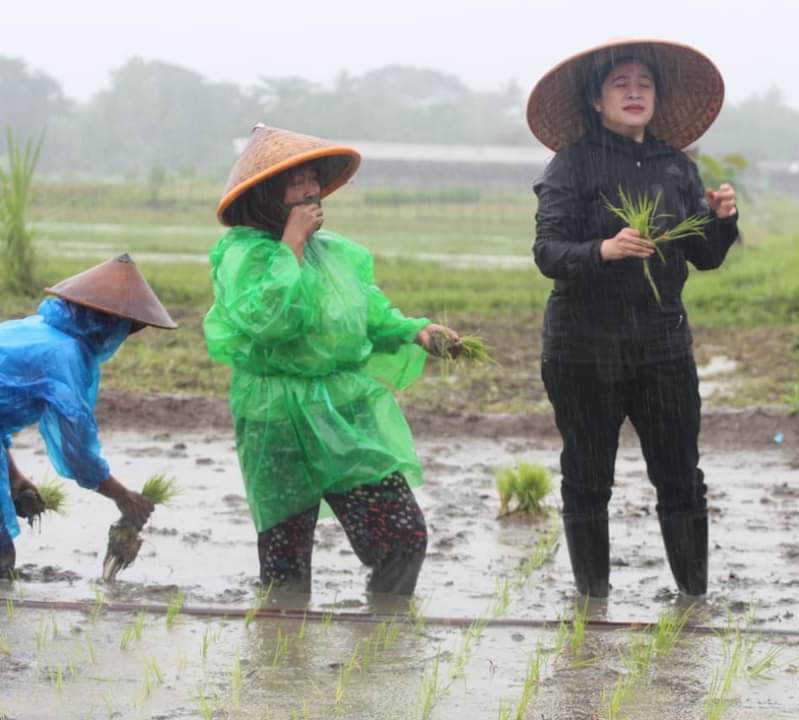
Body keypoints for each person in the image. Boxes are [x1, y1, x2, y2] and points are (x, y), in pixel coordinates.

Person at [204, 124, 459, 598]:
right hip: (275, 417)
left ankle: (382, 639)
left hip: (343, 408)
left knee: (403, 537)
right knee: (286, 557)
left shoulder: (335, 253)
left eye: (312, 179)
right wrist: (291, 247)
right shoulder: (245, 257)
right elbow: (272, 321)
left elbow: (365, 312)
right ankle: (282, 656)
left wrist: (415, 330)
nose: (308, 191)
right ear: (264, 193)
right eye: (294, 181)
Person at [527, 40, 740, 598]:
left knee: (680, 479)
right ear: (597, 100)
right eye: (620, 83)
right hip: (583, 349)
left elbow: (706, 255)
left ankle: (694, 597)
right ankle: (592, 600)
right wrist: (604, 249)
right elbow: (548, 252)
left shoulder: (677, 166)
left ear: (657, 96)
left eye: (643, 82)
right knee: (588, 480)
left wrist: (721, 219)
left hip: (662, 345)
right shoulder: (571, 164)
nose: (634, 91)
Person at [0, 254, 176, 577]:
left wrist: (14, 478)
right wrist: (124, 497)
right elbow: (77, 449)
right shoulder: (64, 355)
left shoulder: (37, 330)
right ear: (107, 326)